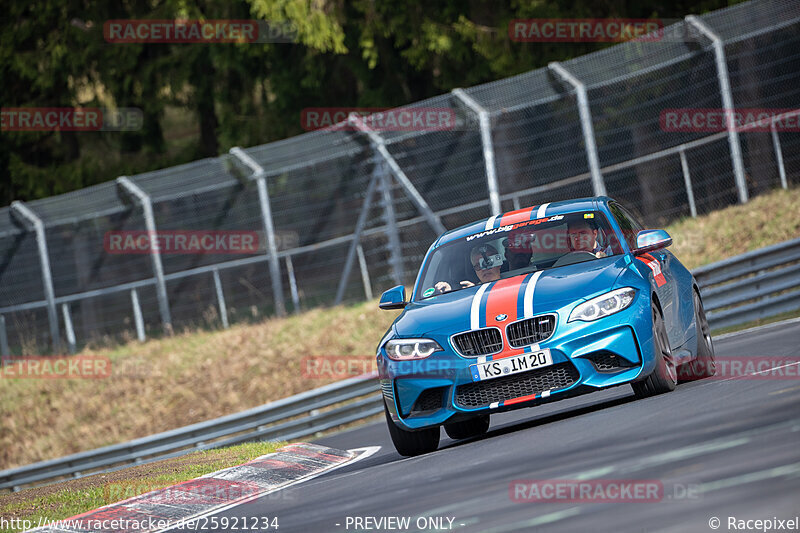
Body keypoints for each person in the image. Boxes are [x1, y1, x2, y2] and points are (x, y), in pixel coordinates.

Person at [434, 243, 502, 293]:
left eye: (488, 262)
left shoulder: (512, 283)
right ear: (475, 270)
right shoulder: (468, 292)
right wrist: (448, 293)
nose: (484, 268)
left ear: (499, 263)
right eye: (478, 266)